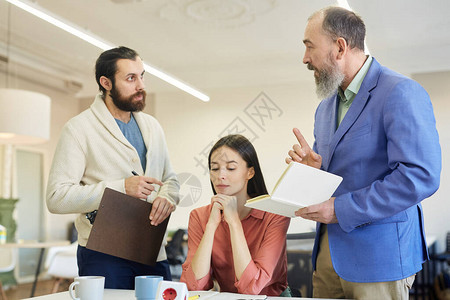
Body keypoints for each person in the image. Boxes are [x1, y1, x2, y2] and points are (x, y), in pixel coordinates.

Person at [286, 6, 441, 299]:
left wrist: (341, 209)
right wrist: (313, 172)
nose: (305, 58)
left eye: (309, 47)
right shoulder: (325, 108)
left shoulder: (400, 92)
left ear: (340, 47)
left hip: (379, 260)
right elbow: (338, 178)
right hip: (327, 258)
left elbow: (420, 176)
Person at [46, 46, 179, 289]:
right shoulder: (79, 129)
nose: (141, 85)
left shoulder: (152, 127)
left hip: (151, 248)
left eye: (142, 75)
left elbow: (170, 179)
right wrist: (120, 188)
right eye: (131, 78)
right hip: (103, 253)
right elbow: (56, 198)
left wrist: (168, 197)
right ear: (106, 83)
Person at [180, 134, 291, 296]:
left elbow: (252, 287)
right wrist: (211, 226)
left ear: (250, 172)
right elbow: (193, 287)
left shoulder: (275, 215)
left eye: (231, 168)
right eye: (215, 168)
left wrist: (233, 222)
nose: (220, 176)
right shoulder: (199, 216)